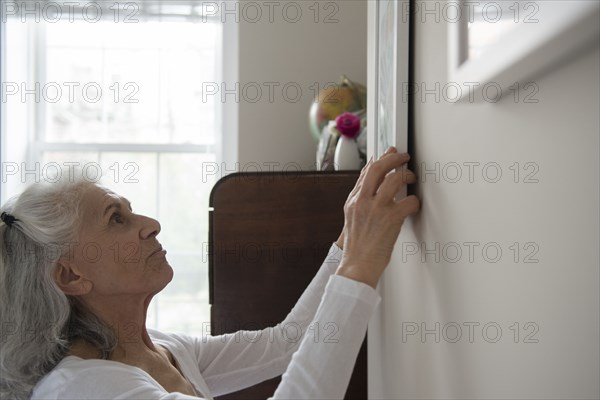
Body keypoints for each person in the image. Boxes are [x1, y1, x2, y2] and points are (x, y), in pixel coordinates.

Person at [0, 146, 419, 400]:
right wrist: (362, 263)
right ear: (71, 277)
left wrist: (350, 234)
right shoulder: (82, 390)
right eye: (116, 219)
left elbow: (287, 343)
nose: (151, 223)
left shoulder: (158, 348)